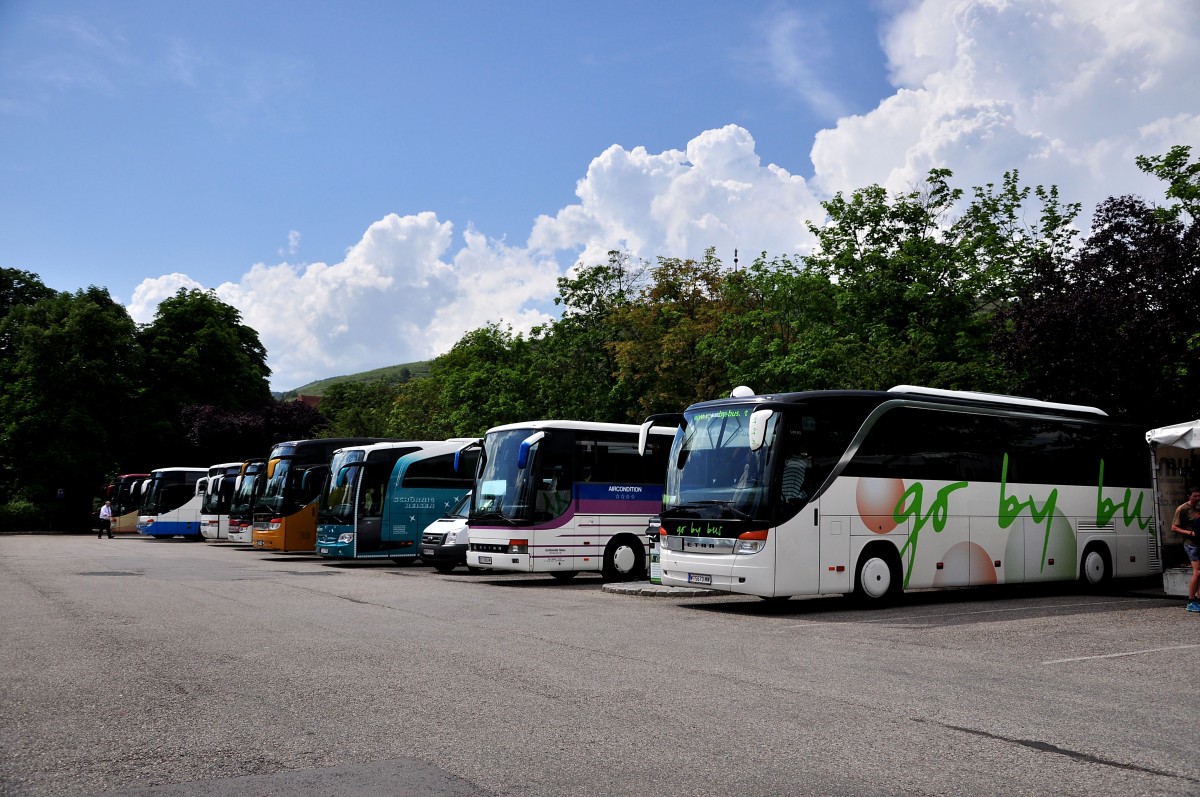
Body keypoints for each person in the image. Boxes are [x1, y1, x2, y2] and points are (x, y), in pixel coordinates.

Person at [1170, 489, 1200, 612]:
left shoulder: (1198, 508)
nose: (1198, 498)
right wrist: (1190, 533)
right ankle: (1191, 601)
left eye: (1199, 496)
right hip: (1191, 544)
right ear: (1189, 496)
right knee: (1197, 572)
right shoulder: (1182, 509)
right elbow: (1174, 527)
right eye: (1195, 496)